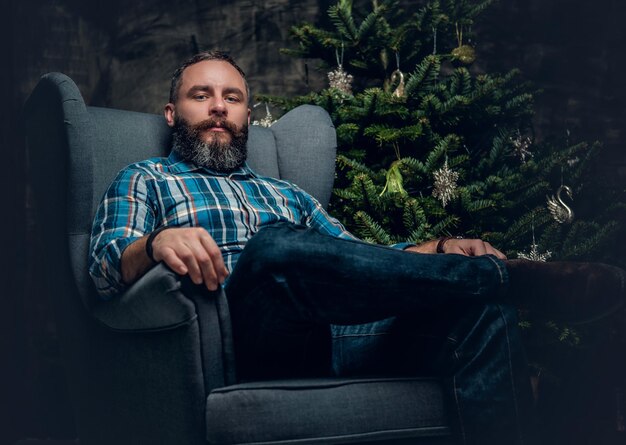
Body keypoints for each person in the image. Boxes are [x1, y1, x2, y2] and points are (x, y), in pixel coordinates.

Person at [88, 51, 625, 445]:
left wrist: (437, 246)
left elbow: (359, 260)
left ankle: (496, 286)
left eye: (232, 98)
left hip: (334, 332)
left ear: (248, 114)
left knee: (480, 313)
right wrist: (158, 242)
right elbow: (105, 269)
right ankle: (517, 277)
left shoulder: (286, 192)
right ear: (171, 112)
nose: (219, 109)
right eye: (200, 95)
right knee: (275, 248)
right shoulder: (146, 178)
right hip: (244, 333)